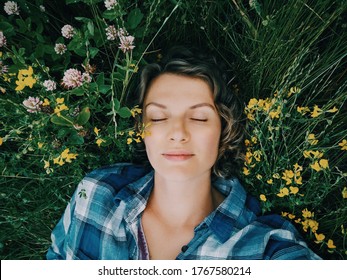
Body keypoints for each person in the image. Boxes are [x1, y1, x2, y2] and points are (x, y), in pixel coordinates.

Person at [46, 46, 320, 260]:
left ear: (224, 131)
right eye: (158, 117)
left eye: (199, 118)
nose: (177, 133)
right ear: (141, 129)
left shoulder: (264, 248)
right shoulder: (94, 194)